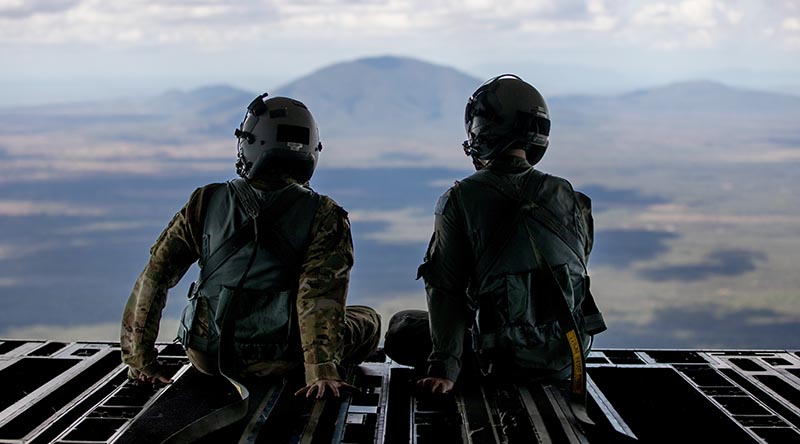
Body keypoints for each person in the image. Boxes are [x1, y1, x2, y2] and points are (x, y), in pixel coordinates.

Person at [121, 93, 381, 398]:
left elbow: (155, 277)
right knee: (369, 320)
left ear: (250, 143)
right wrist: (320, 372)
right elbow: (319, 297)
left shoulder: (204, 202)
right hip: (282, 359)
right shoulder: (324, 214)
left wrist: (141, 360)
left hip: (208, 356)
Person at [384, 74, 606, 394]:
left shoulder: (460, 199)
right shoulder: (570, 196)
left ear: (482, 130)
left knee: (401, 328)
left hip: (500, 360)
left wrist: (445, 366)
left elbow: (445, 289)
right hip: (569, 356)